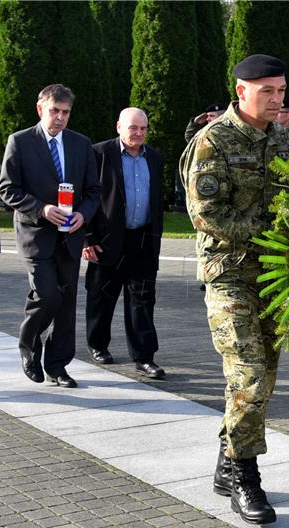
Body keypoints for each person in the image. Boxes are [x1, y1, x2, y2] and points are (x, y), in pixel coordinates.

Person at [180, 53, 289, 525]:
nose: (276, 99)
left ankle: (228, 458)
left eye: (281, 91)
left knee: (263, 377)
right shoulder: (214, 140)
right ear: (242, 90)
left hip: (275, 276)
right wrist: (269, 232)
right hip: (229, 274)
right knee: (246, 372)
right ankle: (246, 476)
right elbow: (206, 215)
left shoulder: (283, 142)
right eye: (267, 90)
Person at [0, 84, 100, 389]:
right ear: (41, 108)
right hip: (35, 235)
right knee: (47, 295)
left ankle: (58, 366)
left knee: (66, 304)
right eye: (54, 110)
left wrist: (84, 213)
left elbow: (94, 191)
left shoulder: (81, 144)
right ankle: (28, 345)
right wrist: (42, 209)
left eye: (65, 112)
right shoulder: (20, 142)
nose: (59, 117)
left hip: (70, 236)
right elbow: (7, 190)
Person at [83, 108, 165, 379]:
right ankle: (98, 344)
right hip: (106, 241)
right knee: (101, 297)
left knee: (142, 300)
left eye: (143, 128)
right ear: (119, 126)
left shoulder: (154, 157)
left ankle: (144, 357)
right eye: (133, 128)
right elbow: (86, 199)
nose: (138, 133)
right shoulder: (98, 154)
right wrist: (87, 237)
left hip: (142, 240)